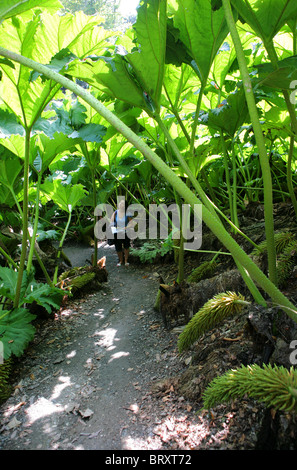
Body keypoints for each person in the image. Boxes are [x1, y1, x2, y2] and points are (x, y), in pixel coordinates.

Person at [110, 200, 133, 266]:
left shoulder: (127, 213)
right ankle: (120, 260)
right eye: (120, 203)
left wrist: (125, 228)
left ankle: (126, 260)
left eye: (122, 203)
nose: (121, 204)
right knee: (118, 247)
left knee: (126, 246)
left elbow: (131, 223)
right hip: (117, 232)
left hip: (125, 232)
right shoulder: (115, 213)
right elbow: (111, 222)